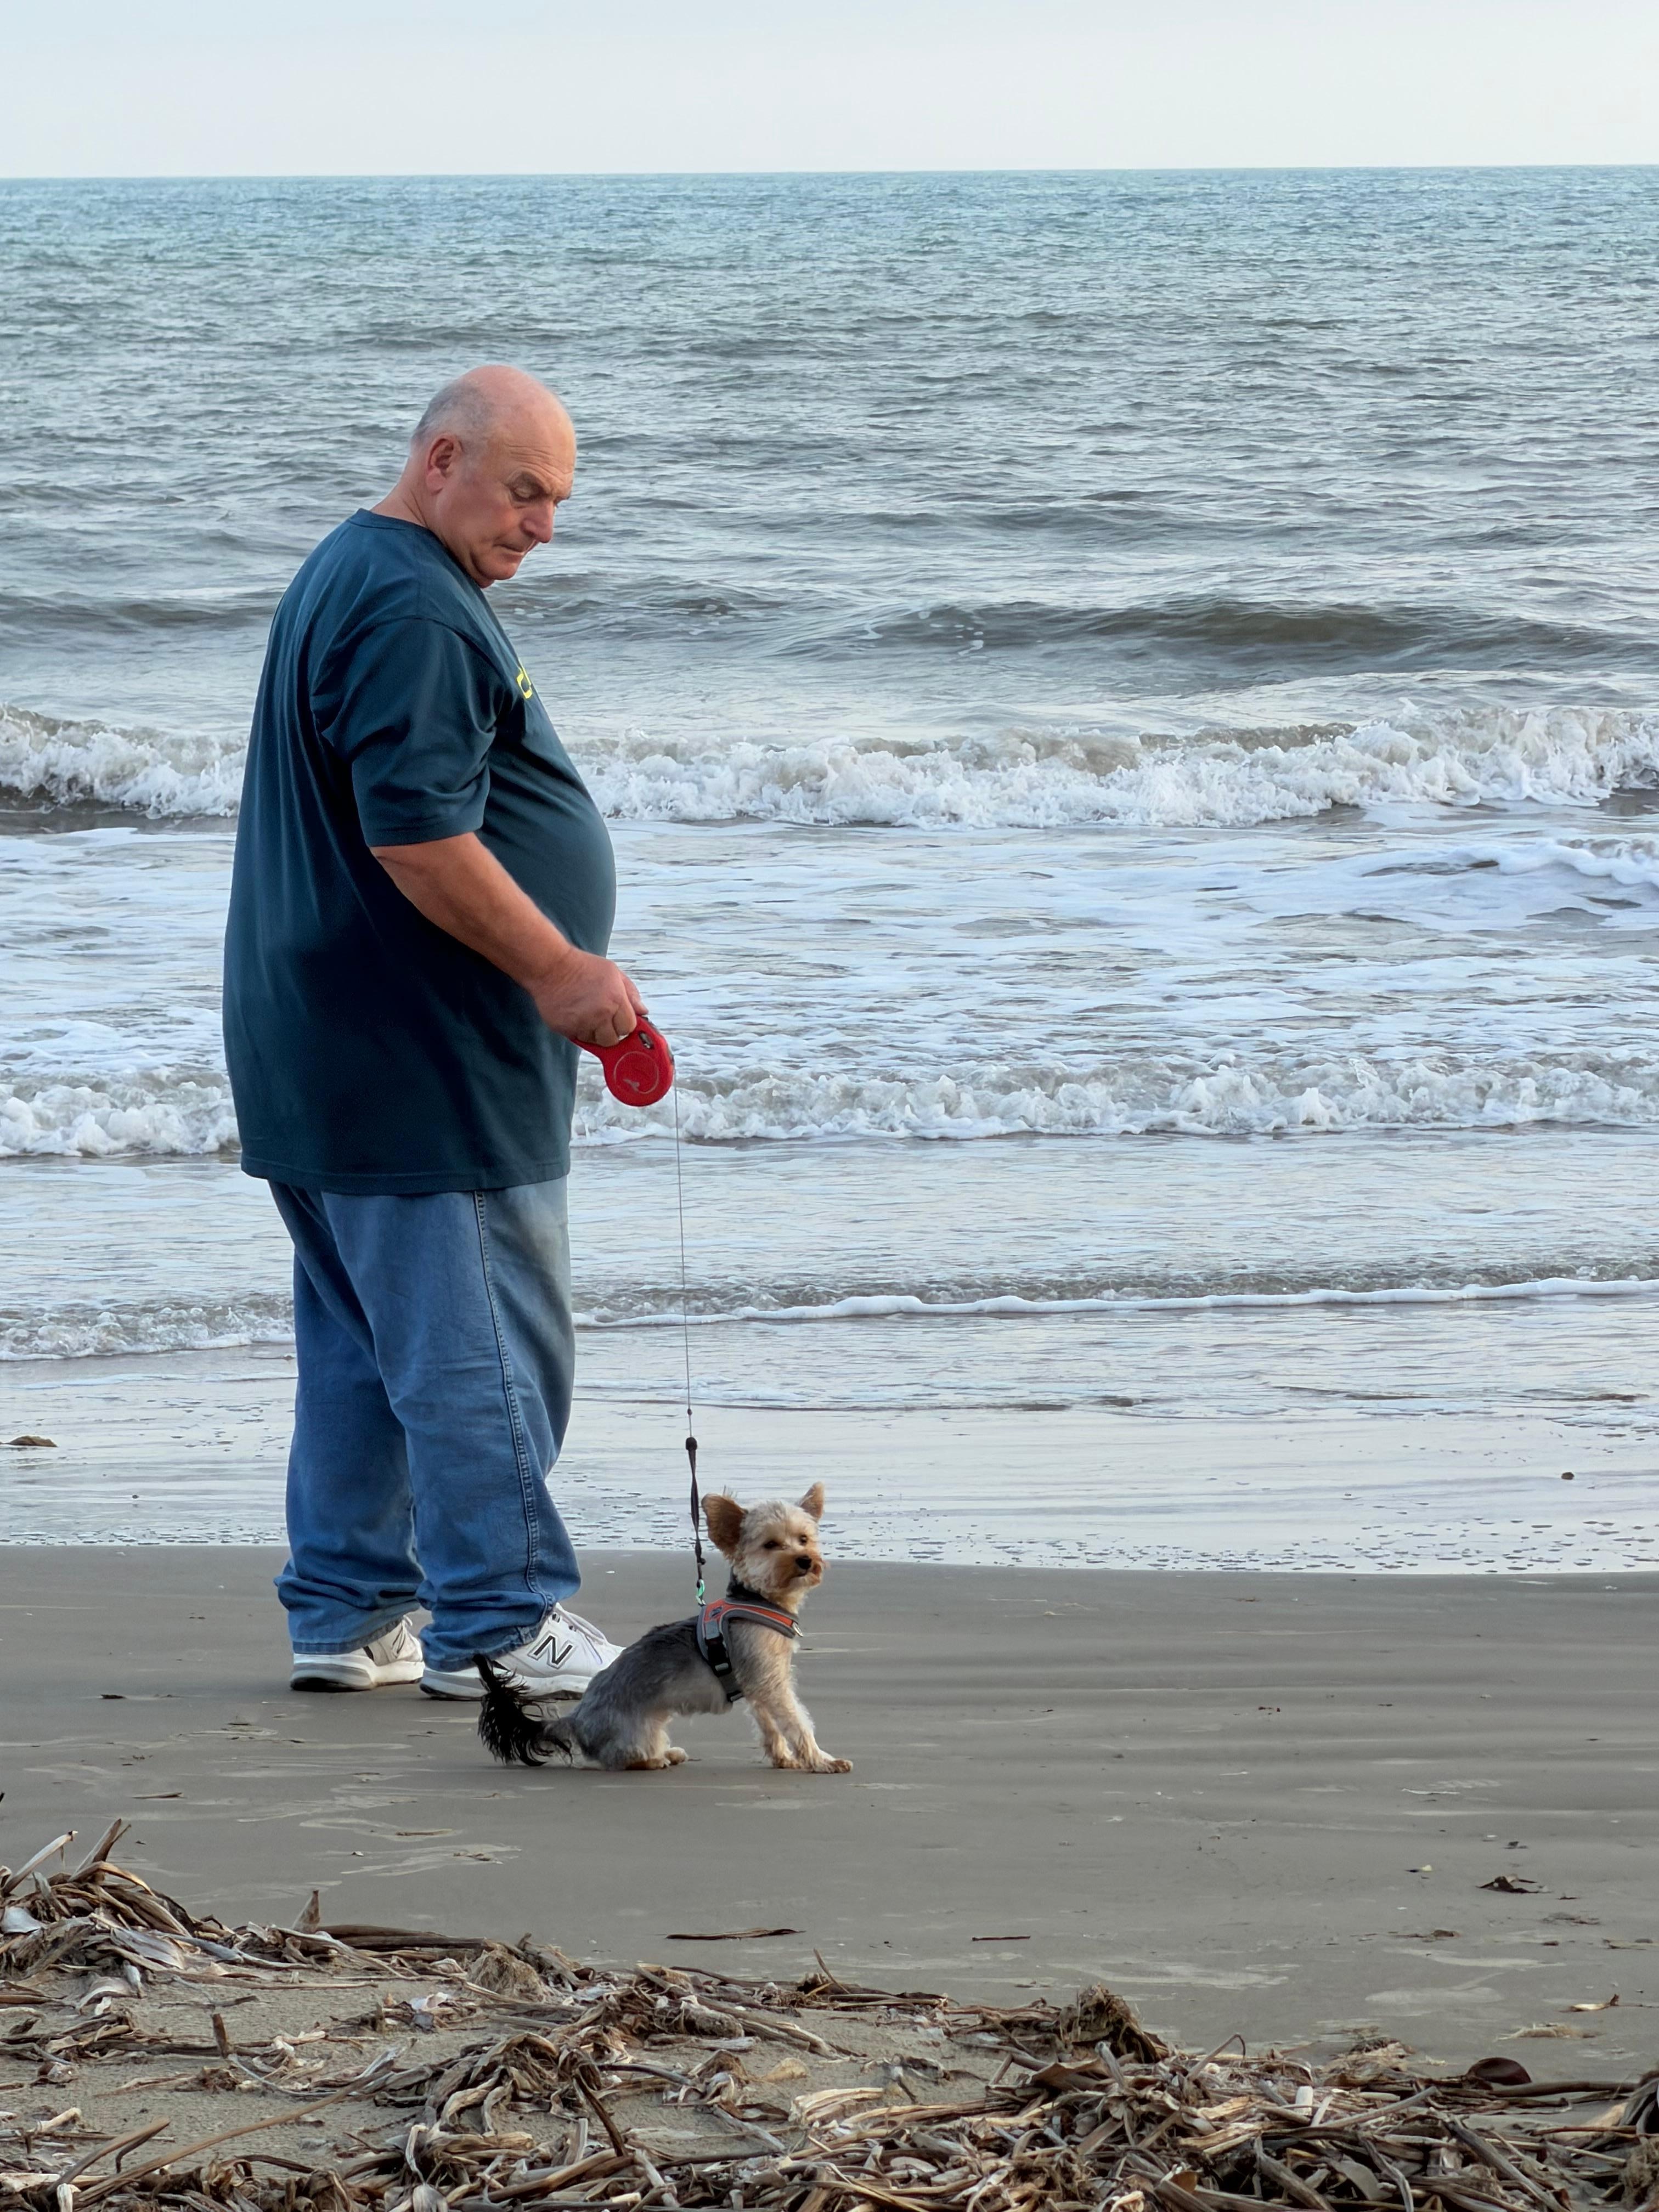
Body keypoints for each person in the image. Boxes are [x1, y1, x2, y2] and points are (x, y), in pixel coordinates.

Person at [223, 365, 641, 1702]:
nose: (543, 526)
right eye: (525, 491)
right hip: (421, 1056)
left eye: (559, 500)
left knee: (364, 1338)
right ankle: (502, 1621)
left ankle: (350, 1608)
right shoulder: (410, 602)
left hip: (325, 1042)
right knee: (480, 1342)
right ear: (444, 458)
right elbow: (417, 838)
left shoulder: (355, 569)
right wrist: (561, 971)